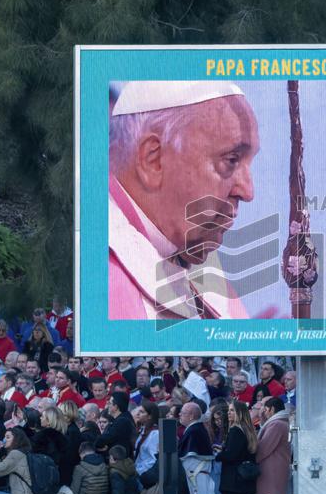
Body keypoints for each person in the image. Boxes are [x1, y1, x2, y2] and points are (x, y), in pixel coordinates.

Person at [107, 80, 258, 319]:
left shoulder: (189, 249)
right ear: (153, 160)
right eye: (231, 160)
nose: (248, 191)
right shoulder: (105, 281)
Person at [215, 400, 258, 494]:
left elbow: (231, 455)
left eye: (232, 410)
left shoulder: (235, 430)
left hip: (232, 482)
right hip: (242, 481)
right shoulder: (246, 429)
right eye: (229, 410)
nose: (229, 413)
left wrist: (218, 455)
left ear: (240, 413)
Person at [177, 402, 214, 494]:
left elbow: (187, 457)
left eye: (183, 413)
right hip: (195, 476)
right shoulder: (195, 429)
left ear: (191, 416)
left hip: (197, 477)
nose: (179, 414)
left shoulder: (194, 431)